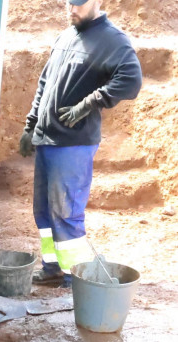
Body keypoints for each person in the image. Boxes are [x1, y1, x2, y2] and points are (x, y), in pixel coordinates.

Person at [19, 0, 141, 288]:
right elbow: (45, 83)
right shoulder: (66, 35)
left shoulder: (112, 40)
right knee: (44, 211)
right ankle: (53, 267)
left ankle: (76, 278)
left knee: (66, 213)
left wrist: (89, 104)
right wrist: (30, 124)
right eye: (68, 3)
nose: (71, 9)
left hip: (73, 143)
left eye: (78, 4)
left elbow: (131, 80)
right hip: (48, 139)